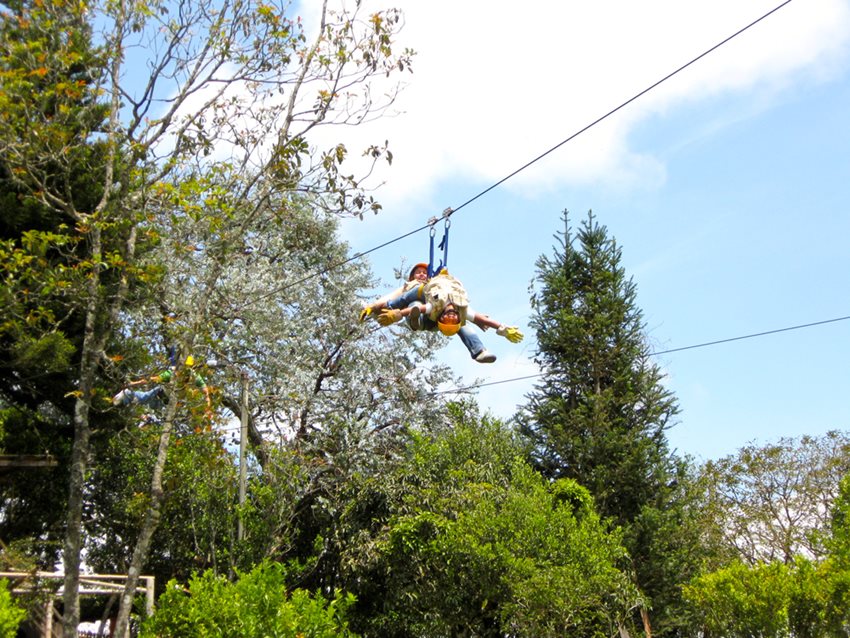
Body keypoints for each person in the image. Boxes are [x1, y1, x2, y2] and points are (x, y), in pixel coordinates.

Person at [373, 269, 523, 361]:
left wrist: (397, 314)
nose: (451, 315)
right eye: (418, 272)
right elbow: (399, 297)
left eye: (424, 272)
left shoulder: (438, 306)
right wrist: (386, 307)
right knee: (414, 302)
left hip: (428, 316)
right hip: (421, 305)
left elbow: (478, 318)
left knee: (462, 324)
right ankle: (415, 320)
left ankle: (479, 351)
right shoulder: (459, 309)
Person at [113, 356, 212, 417]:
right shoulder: (173, 373)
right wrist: (133, 384)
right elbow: (152, 379)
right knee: (144, 397)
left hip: (167, 402)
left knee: (155, 415)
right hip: (159, 393)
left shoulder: (195, 377)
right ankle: (125, 395)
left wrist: (207, 406)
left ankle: (142, 415)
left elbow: (205, 390)